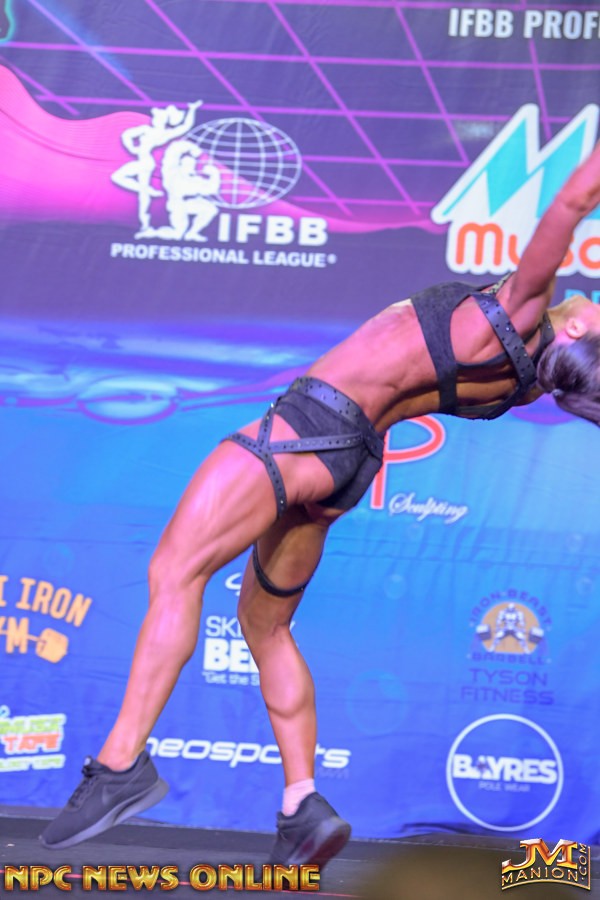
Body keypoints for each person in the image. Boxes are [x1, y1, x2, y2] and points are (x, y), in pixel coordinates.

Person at [40, 140, 600, 865]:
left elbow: (572, 200)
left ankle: (120, 765)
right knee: (267, 627)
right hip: (348, 468)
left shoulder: (519, 313)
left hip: (307, 429)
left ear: (576, 330)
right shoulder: (523, 384)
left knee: (174, 572)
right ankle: (302, 804)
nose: (593, 297)